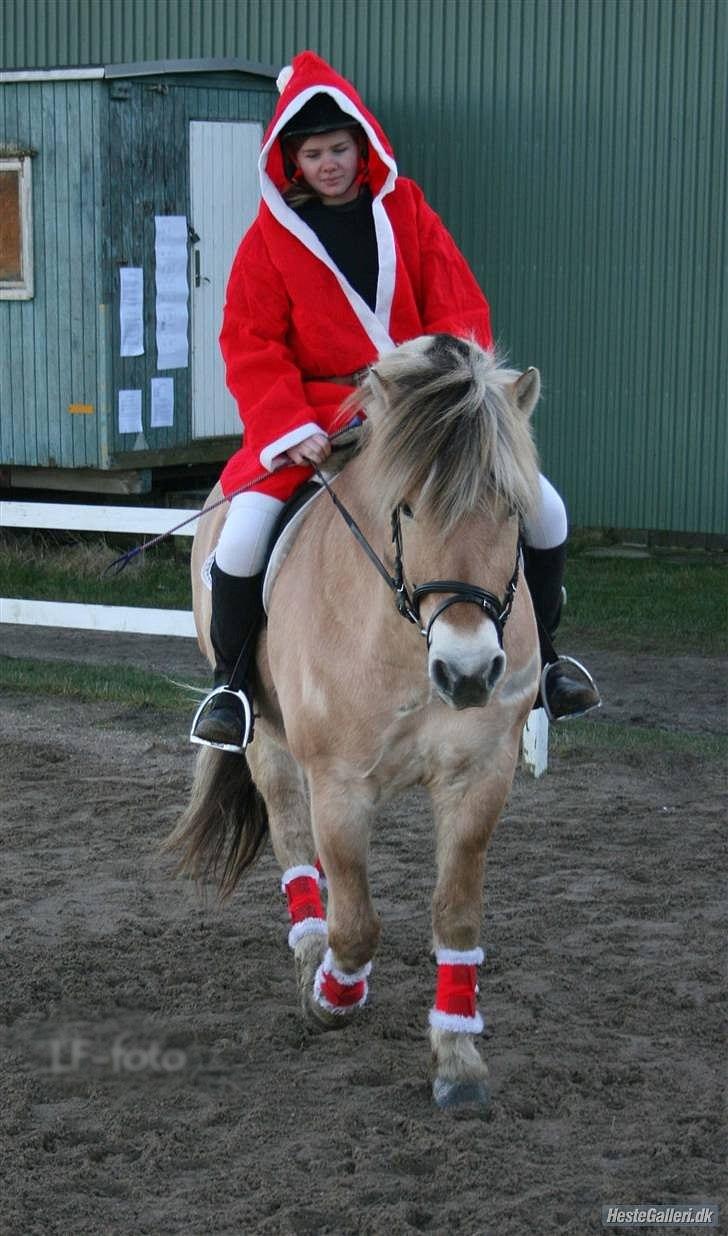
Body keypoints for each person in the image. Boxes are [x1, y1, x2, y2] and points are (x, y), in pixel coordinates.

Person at [191, 50, 600, 750]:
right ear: (292, 159)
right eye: (314, 152)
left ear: (362, 145)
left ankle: (551, 666)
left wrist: (457, 394)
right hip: (318, 421)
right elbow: (251, 342)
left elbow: (458, 306)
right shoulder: (268, 242)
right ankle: (233, 687)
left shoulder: (407, 211)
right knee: (242, 533)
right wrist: (286, 424)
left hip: (422, 414)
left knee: (545, 508)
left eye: (340, 148)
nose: (329, 163)